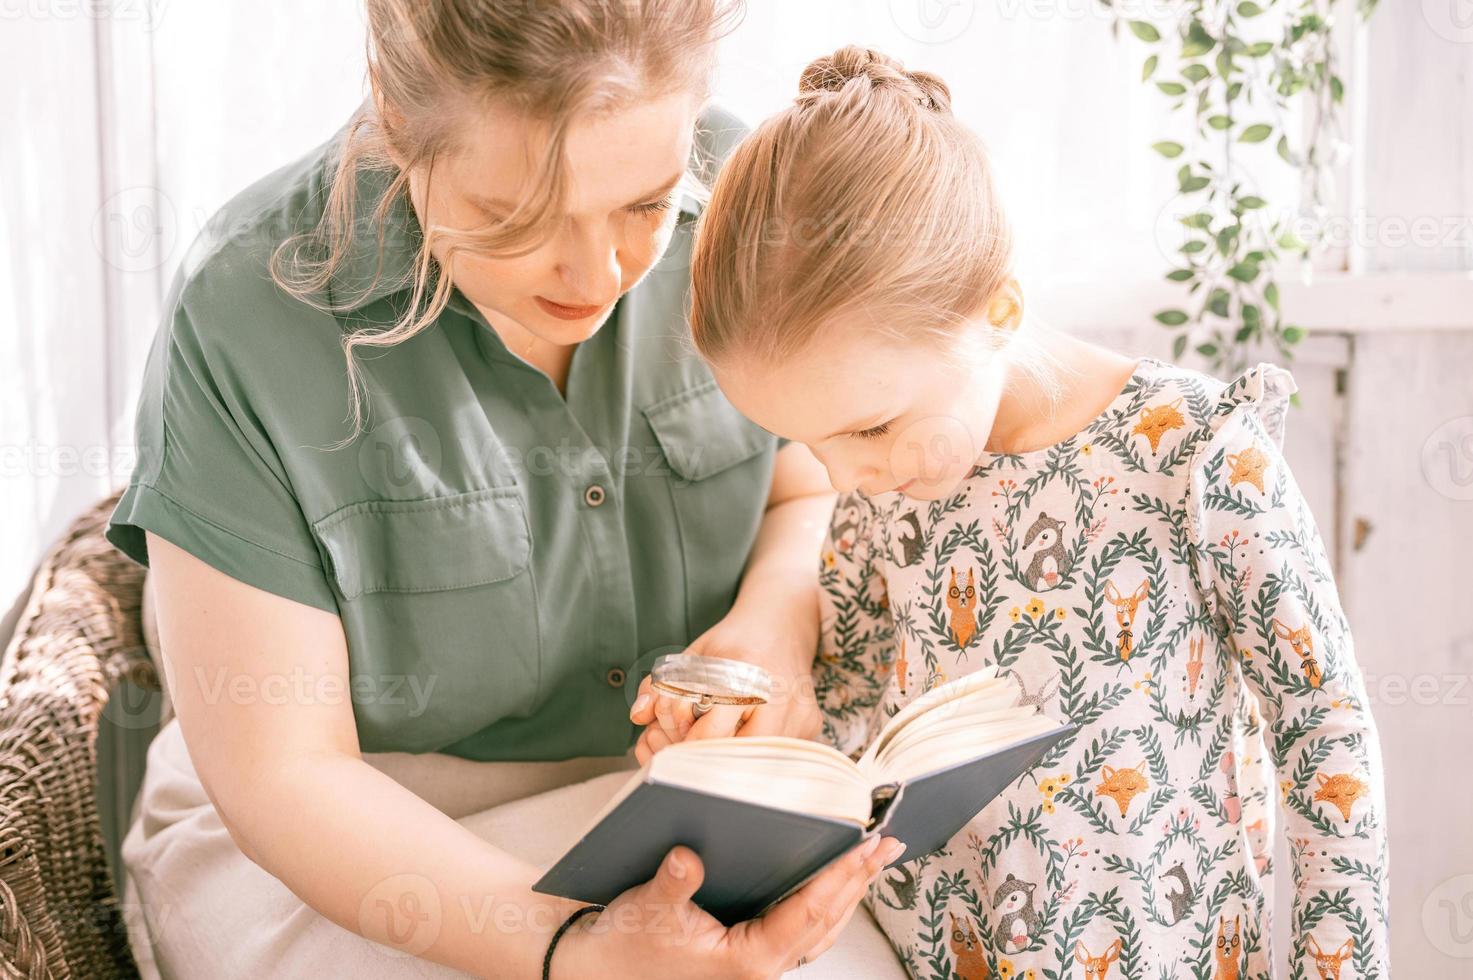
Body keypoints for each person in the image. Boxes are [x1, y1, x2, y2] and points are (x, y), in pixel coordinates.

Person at [105, 3, 906, 976]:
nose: (598, 272)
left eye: (645, 205)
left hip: (677, 805)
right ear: (398, 123)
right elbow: (287, 775)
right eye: (516, 219)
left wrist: (774, 618)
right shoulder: (244, 312)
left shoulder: (743, 197)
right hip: (358, 834)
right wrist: (575, 949)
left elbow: (808, 484)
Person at [680, 44, 1392, 980]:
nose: (846, 478)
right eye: (810, 444)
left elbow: (1323, 729)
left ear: (999, 308)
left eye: (871, 427)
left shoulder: (1191, 454)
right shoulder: (882, 495)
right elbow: (850, 734)